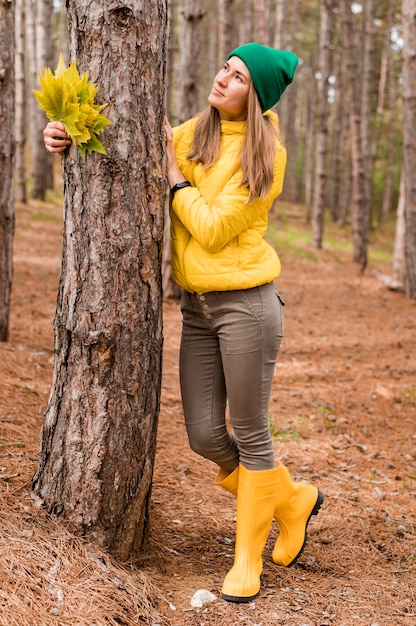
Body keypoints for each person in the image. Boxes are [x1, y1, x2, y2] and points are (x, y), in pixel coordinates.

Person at [43, 42, 323, 604]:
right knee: (202, 433)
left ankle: (247, 561)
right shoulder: (199, 132)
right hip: (197, 308)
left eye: (238, 77)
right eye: (225, 66)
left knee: (250, 430)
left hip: (247, 304)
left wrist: (175, 182)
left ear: (257, 95)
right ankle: (290, 500)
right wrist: (68, 135)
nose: (222, 79)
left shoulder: (265, 156)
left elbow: (216, 228)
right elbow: (130, 143)